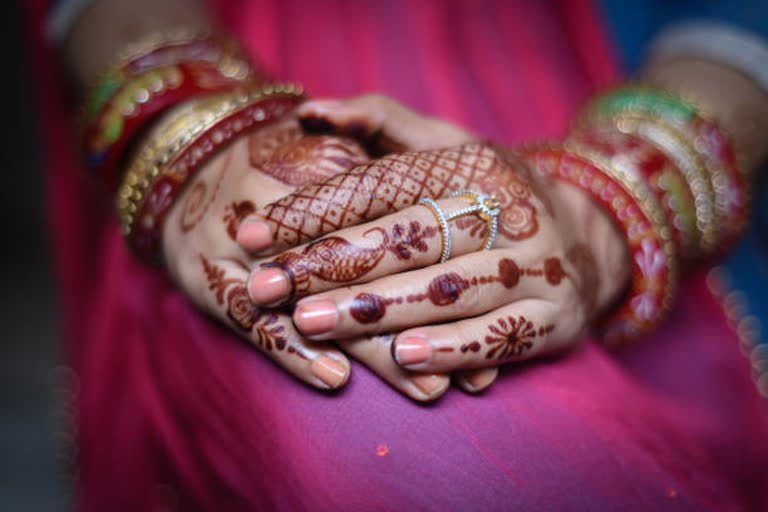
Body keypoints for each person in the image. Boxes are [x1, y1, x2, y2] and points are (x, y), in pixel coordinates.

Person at [25, 0, 768, 509]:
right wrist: (186, 129)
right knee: (377, 438)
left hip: (612, 68)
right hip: (226, 61)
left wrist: (609, 203)